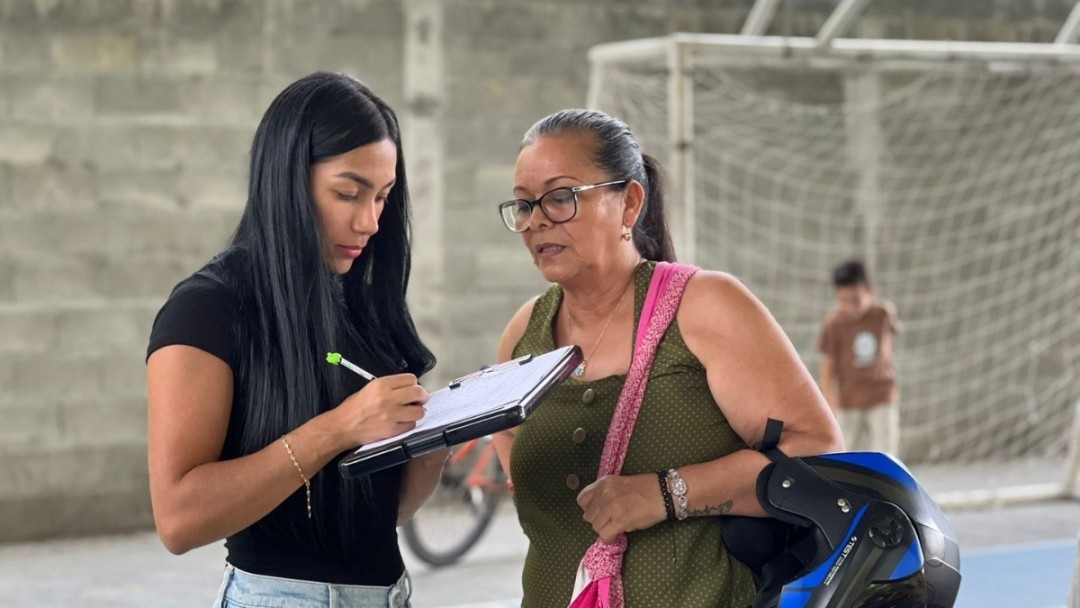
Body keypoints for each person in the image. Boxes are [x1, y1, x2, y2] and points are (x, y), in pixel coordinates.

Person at [491, 109, 843, 608]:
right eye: (524, 205)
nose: (537, 221)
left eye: (561, 196)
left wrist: (667, 492)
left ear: (630, 203)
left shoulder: (703, 305)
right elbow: (507, 432)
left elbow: (819, 450)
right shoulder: (522, 335)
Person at [146, 72, 444, 608]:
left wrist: (433, 442)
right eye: (348, 193)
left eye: (384, 196)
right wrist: (338, 428)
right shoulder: (206, 309)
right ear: (285, 179)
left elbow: (382, 514)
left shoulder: (363, 300)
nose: (371, 221)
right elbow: (178, 519)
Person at [817, 260, 903, 454]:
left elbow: (889, 345)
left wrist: (889, 375)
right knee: (846, 451)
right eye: (843, 300)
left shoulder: (884, 314)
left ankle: (885, 484)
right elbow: (828, 363)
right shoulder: (834, 323)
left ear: (870, 290)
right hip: (848, 398)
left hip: (882, 395)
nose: (850, 307)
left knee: (886, 450)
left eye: (855, 300)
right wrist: (829, 396)